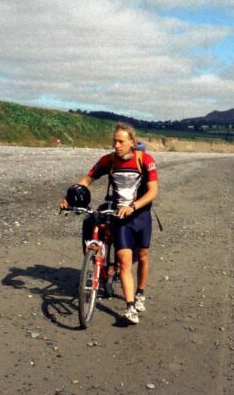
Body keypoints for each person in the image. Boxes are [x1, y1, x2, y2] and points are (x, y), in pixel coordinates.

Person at [61, 122, 158, 325]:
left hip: (140, 215)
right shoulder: (108, 161)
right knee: (124, 261)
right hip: (120, 216)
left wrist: (134, 206)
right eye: (114, 141)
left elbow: (153, 192)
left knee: (142, 255)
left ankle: (140, 293)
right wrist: (71, 197)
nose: (116, 145)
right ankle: (131, 308)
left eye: (121, 141)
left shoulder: (145, 160)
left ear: (132, 142)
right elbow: (87, 179)